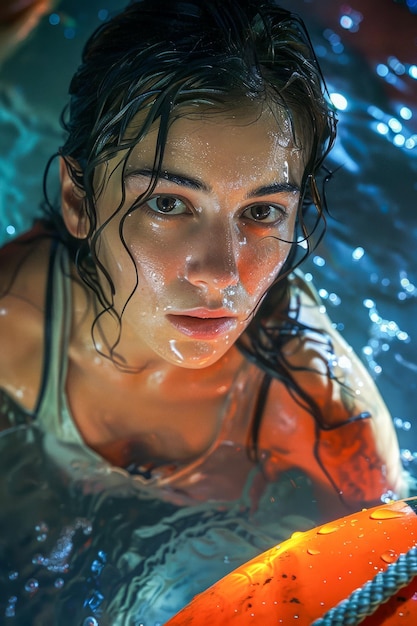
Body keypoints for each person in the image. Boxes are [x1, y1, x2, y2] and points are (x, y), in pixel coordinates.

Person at [0, 0, 407, 526]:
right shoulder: (13, 326)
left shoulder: (323, 411)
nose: (221, 273)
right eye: (167, 203)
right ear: (79, 202)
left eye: (262, 212)